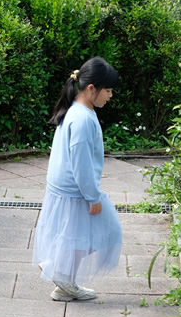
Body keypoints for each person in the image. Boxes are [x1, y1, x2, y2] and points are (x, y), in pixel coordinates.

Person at [32, 56, 123, 302]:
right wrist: (92, 196)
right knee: (106, 231)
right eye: (108, 90)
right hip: (75, 190)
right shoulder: (82, 118)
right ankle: (58, 271)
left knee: (80, 237)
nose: (110, 96)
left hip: (68, 188)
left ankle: (62, 282)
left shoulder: (79, 109)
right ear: (91, 88)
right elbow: (81, 164)